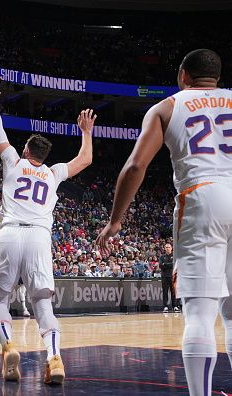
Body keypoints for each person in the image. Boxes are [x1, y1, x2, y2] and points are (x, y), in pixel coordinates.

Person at [96, 49, 232, 396]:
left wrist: (115, 220)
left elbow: (135, 167)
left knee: (200, 314)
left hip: (202, 196)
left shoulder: (167, 107)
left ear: (184, 74)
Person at [0, 73, 96, 383]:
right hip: (38, 236)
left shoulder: (13, 161)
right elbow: (85, 159)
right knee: (42, 305)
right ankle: (54, 358)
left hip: (9, 233)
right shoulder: (54, 172)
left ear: (26, 150)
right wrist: (86, 132)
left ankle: (8, 346)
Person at [159, 243, 179, 312]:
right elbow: (160, 265)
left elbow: (174, 265)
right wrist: (169, 264)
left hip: (173, 276)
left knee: (173, 292)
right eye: (166, 247)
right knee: (165, 292)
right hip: (164, 277)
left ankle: (175, 306)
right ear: (164, 248)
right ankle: (165, 306)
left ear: (171, 248)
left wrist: (165, 264)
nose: (167, 248)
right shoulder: (162, 257)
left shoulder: (174, 256)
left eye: (169, 247)